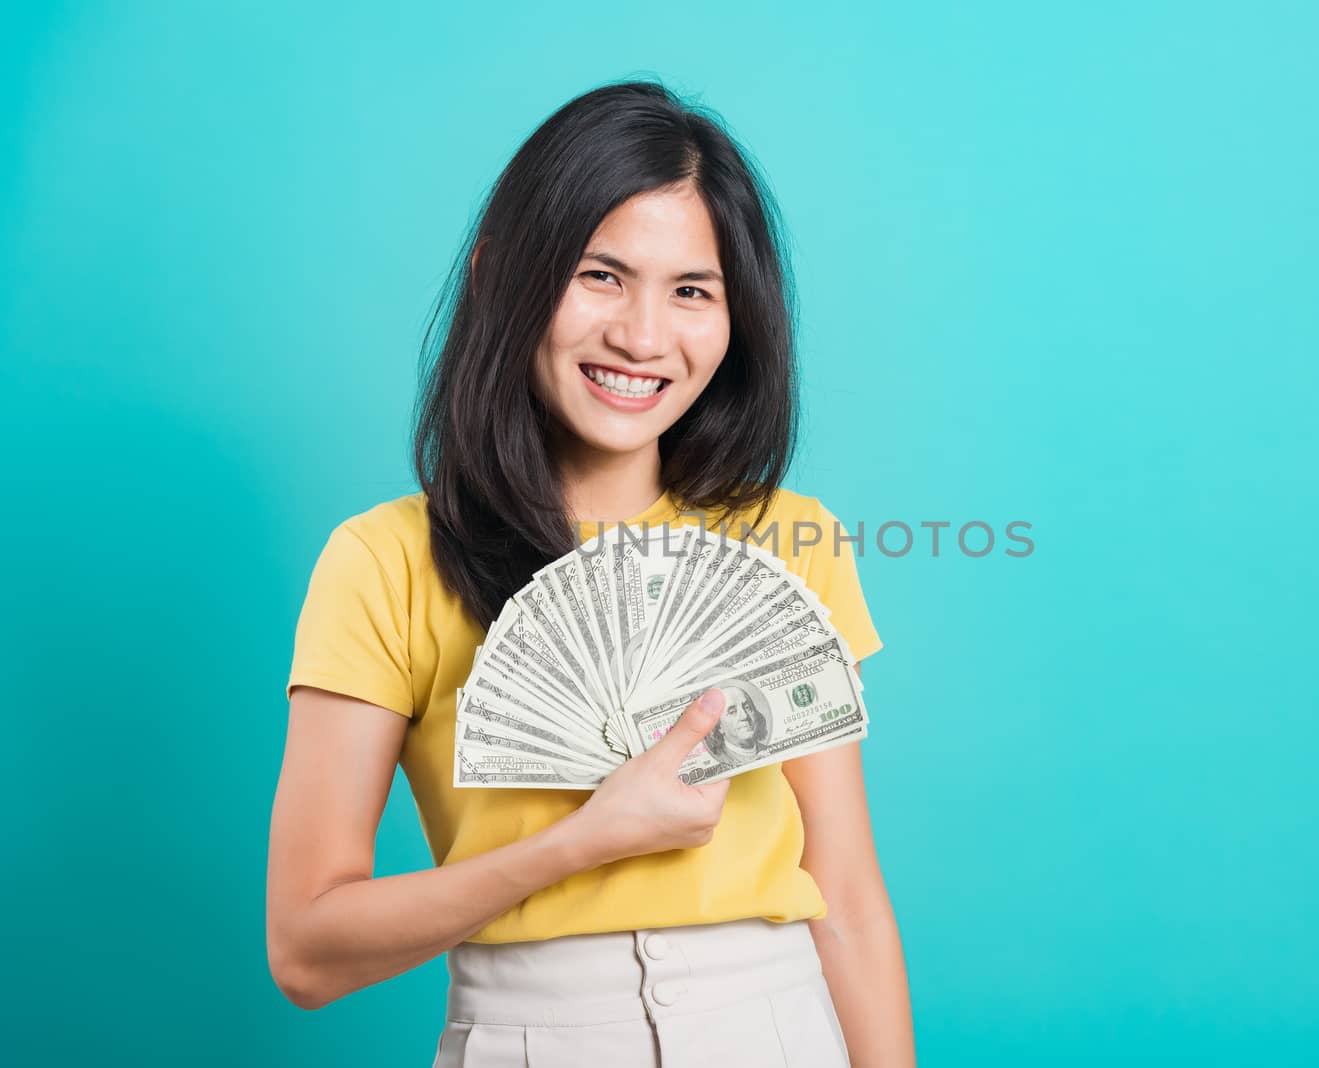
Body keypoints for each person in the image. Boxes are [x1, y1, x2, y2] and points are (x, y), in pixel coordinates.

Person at [266, 80, 916, 1066]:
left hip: (781, 1032)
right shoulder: (386, 561)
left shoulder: (791, 539)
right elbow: (306, 954)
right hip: (528, 1037)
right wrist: (581, 840)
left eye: (692, 291)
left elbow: (850, 895)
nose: (643, 337)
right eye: (599, 275)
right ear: (498, 276)